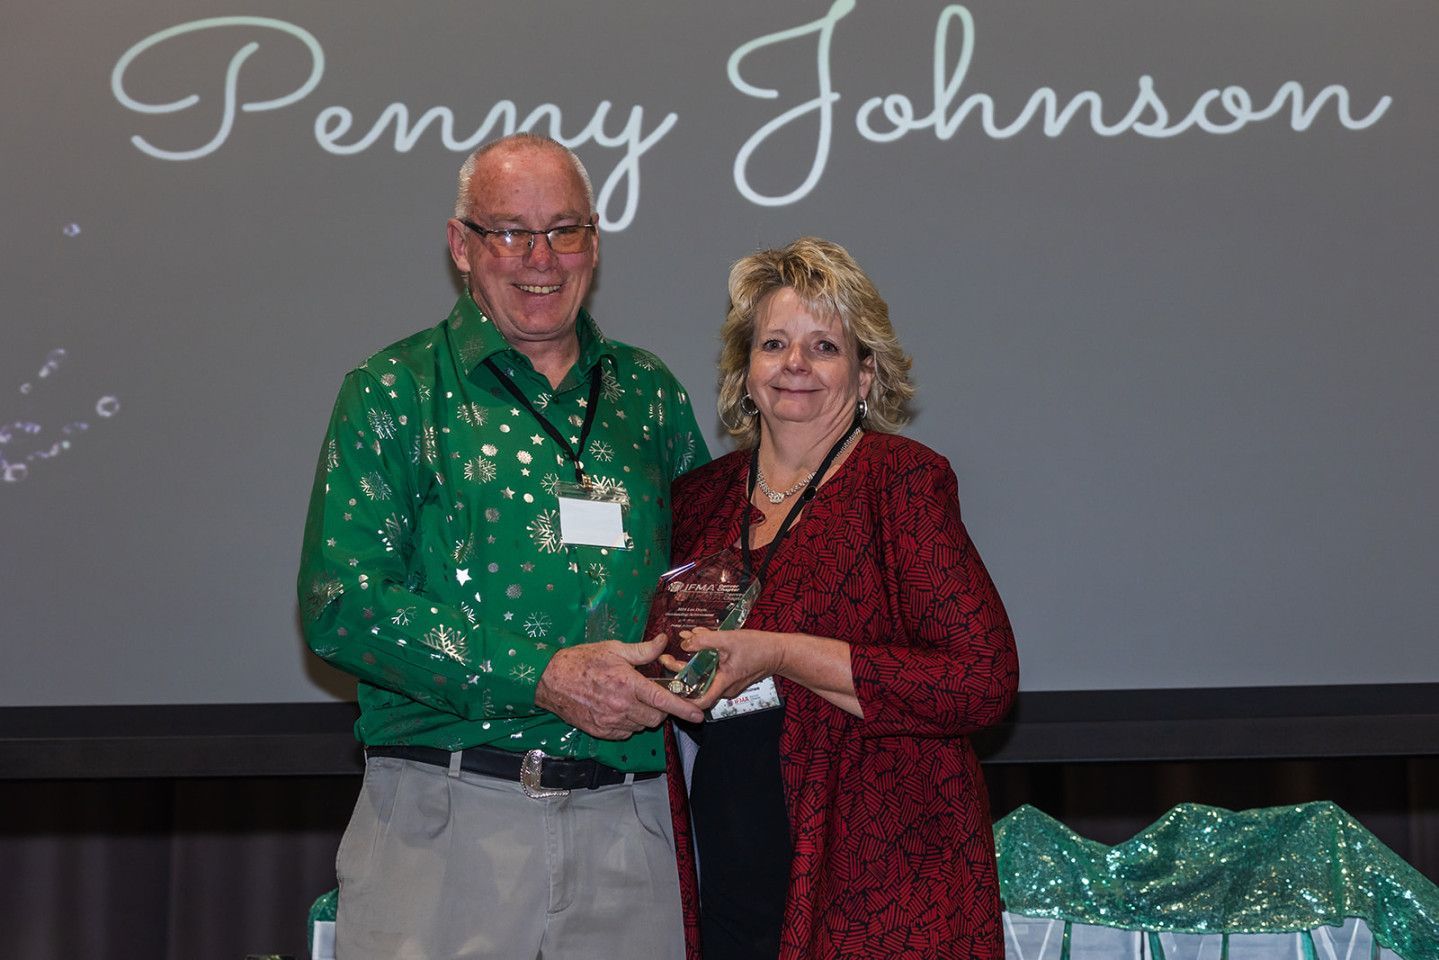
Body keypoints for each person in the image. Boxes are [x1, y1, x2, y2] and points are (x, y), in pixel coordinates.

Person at [297, 133, 709, 960]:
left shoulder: (650, 395)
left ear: (594, 240)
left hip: (632, 827)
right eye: (509, 232)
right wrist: (544, 676)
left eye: (565, 230)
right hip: (444, 823)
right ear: (461, 245)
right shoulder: (394, 391)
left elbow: (702, 584)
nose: (540, 259)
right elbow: (341, 606)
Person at [662, 237, 1019, 959]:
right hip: (723, 879)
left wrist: (782, 654)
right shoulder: (695, 502)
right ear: (744, 371)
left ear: (864, 376)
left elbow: (979, 682)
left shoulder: (901, 484)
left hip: (873, 888)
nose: (794, 363)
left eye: (823, 346)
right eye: (773, 344)